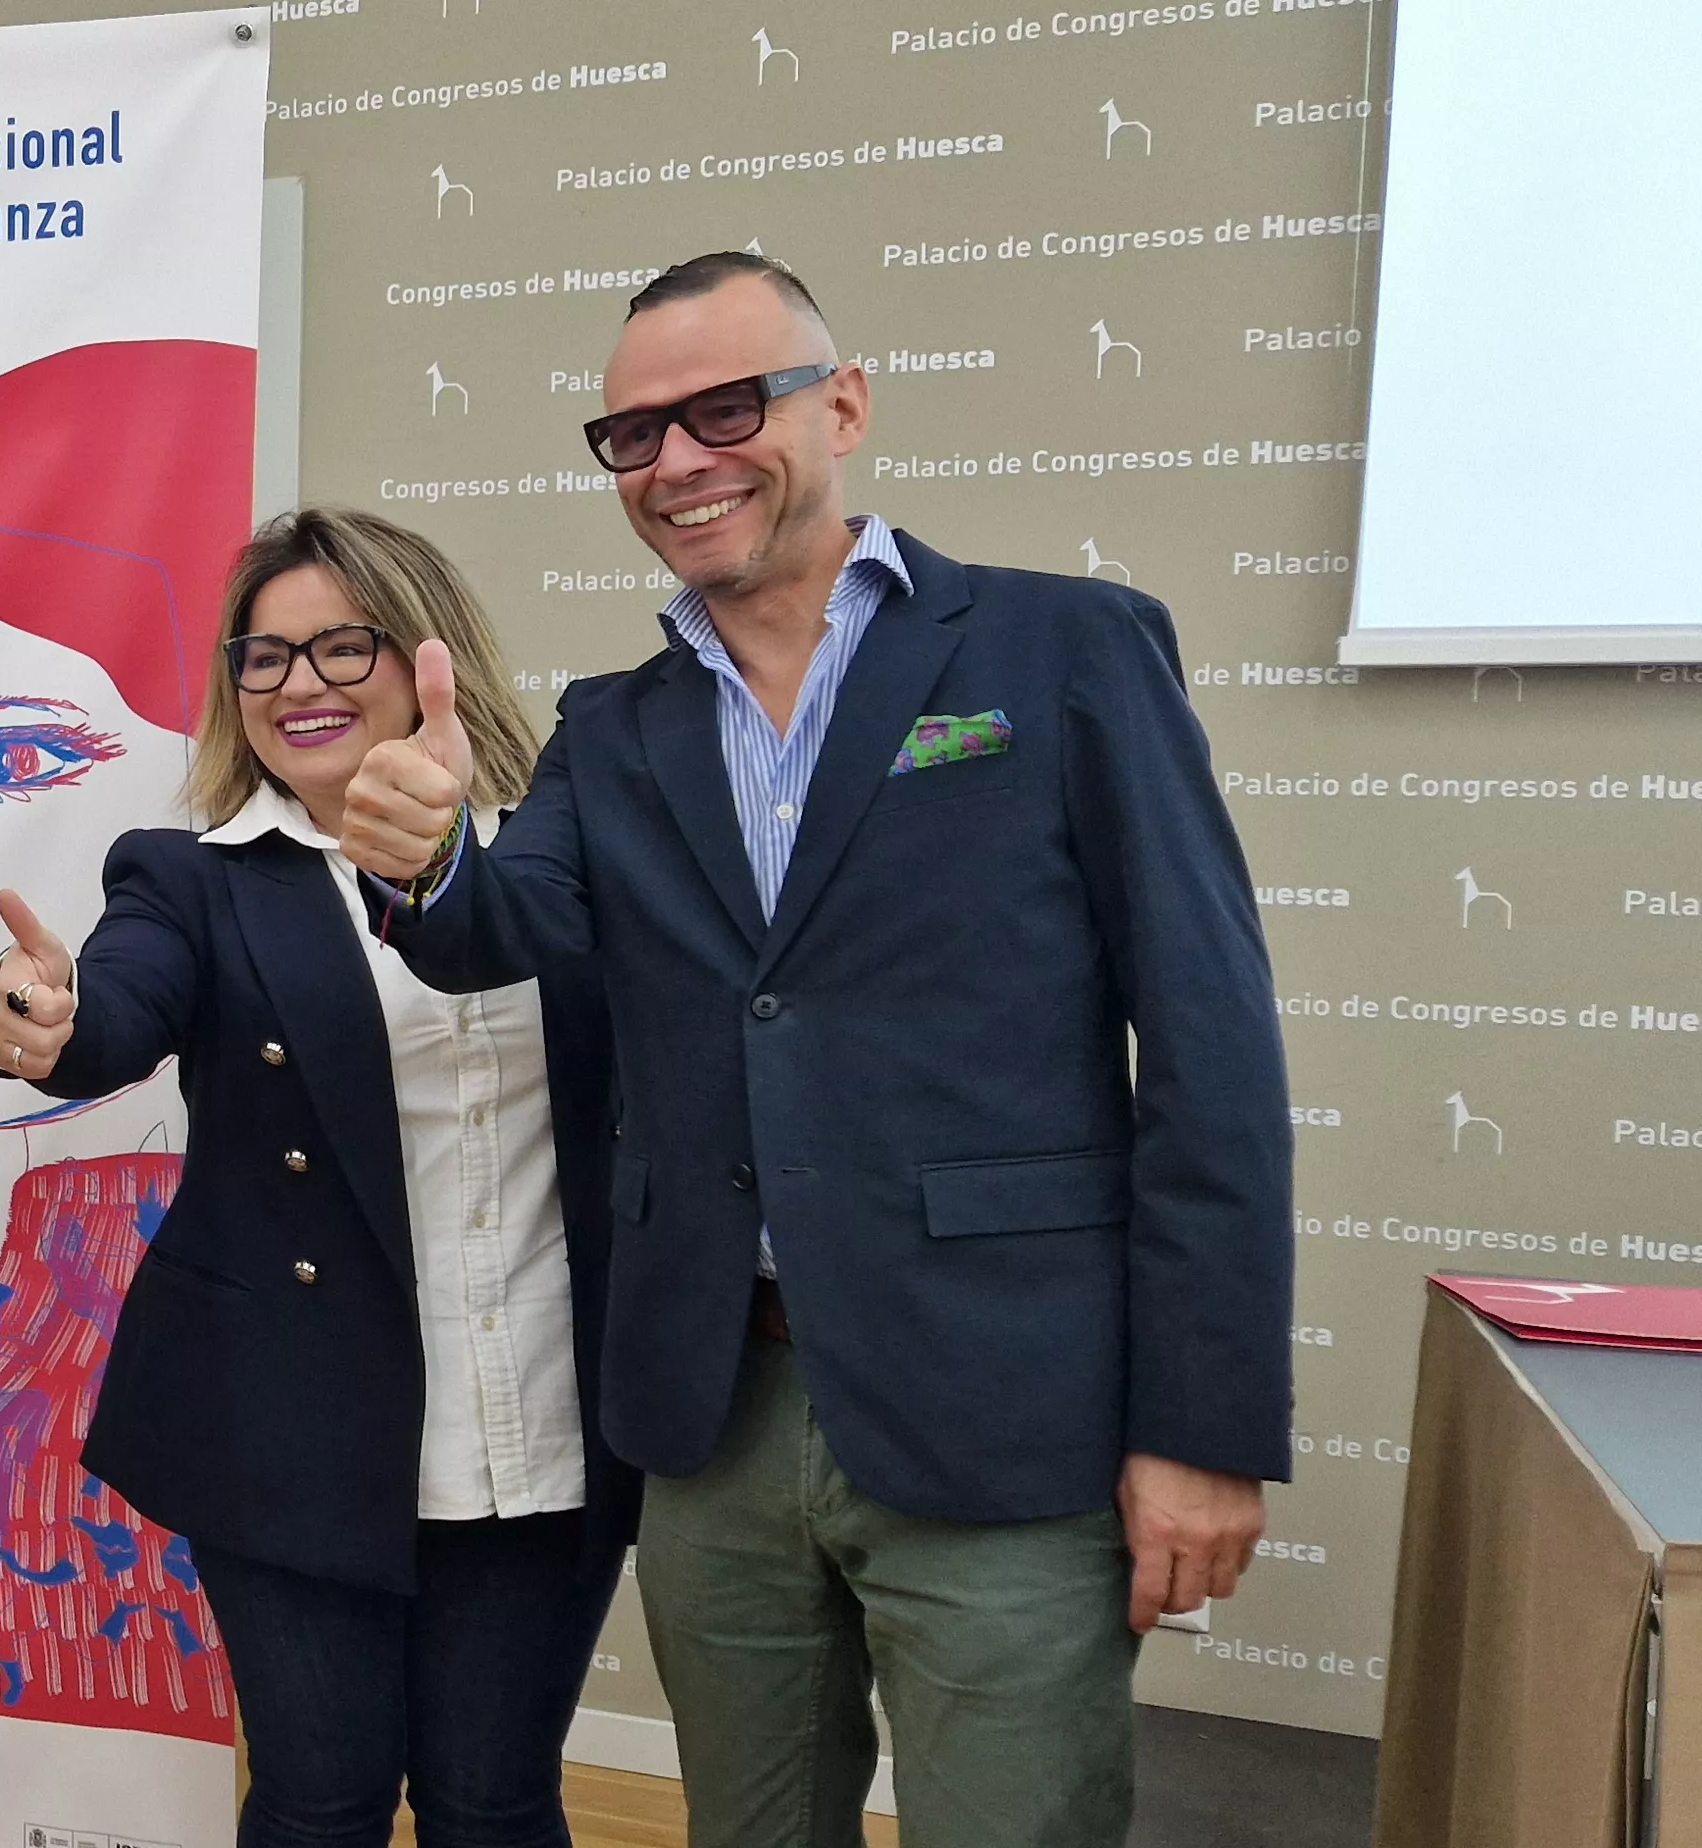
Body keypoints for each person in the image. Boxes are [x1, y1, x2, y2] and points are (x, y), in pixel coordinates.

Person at [340, 252, 1291, 1848]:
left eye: (726, 407)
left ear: (840, 404)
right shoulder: (613, 725)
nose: (678, 461)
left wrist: (1200, 1428)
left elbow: (1210, 1052)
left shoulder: (1065, 655)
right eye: (633, 435)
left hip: (1004, 1404)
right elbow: (503, 928)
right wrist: (424, 855)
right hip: (719, 1406)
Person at [0, 508, 641, 1848]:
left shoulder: (559, 851)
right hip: (292, 1424)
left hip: (538, 1421)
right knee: (321, 1799)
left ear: (423, 655)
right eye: (265, 659)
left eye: (343, 646)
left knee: (495, 1799)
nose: (302, 686)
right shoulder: (191, 879)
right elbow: (118, 1002)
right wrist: (38, 1025)